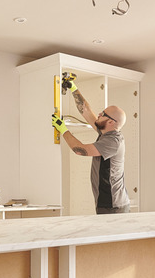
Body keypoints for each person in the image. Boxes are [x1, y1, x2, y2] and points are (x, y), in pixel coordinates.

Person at [51, 79, 130, 214]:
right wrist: (73, 88)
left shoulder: (112, 142)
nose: (99, 114)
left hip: (113, 205)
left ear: (111, 121)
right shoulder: (105, 132)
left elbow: (81, 150)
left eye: (103, 114)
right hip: (108, 202)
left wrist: (63, 129)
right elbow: (86, 111)